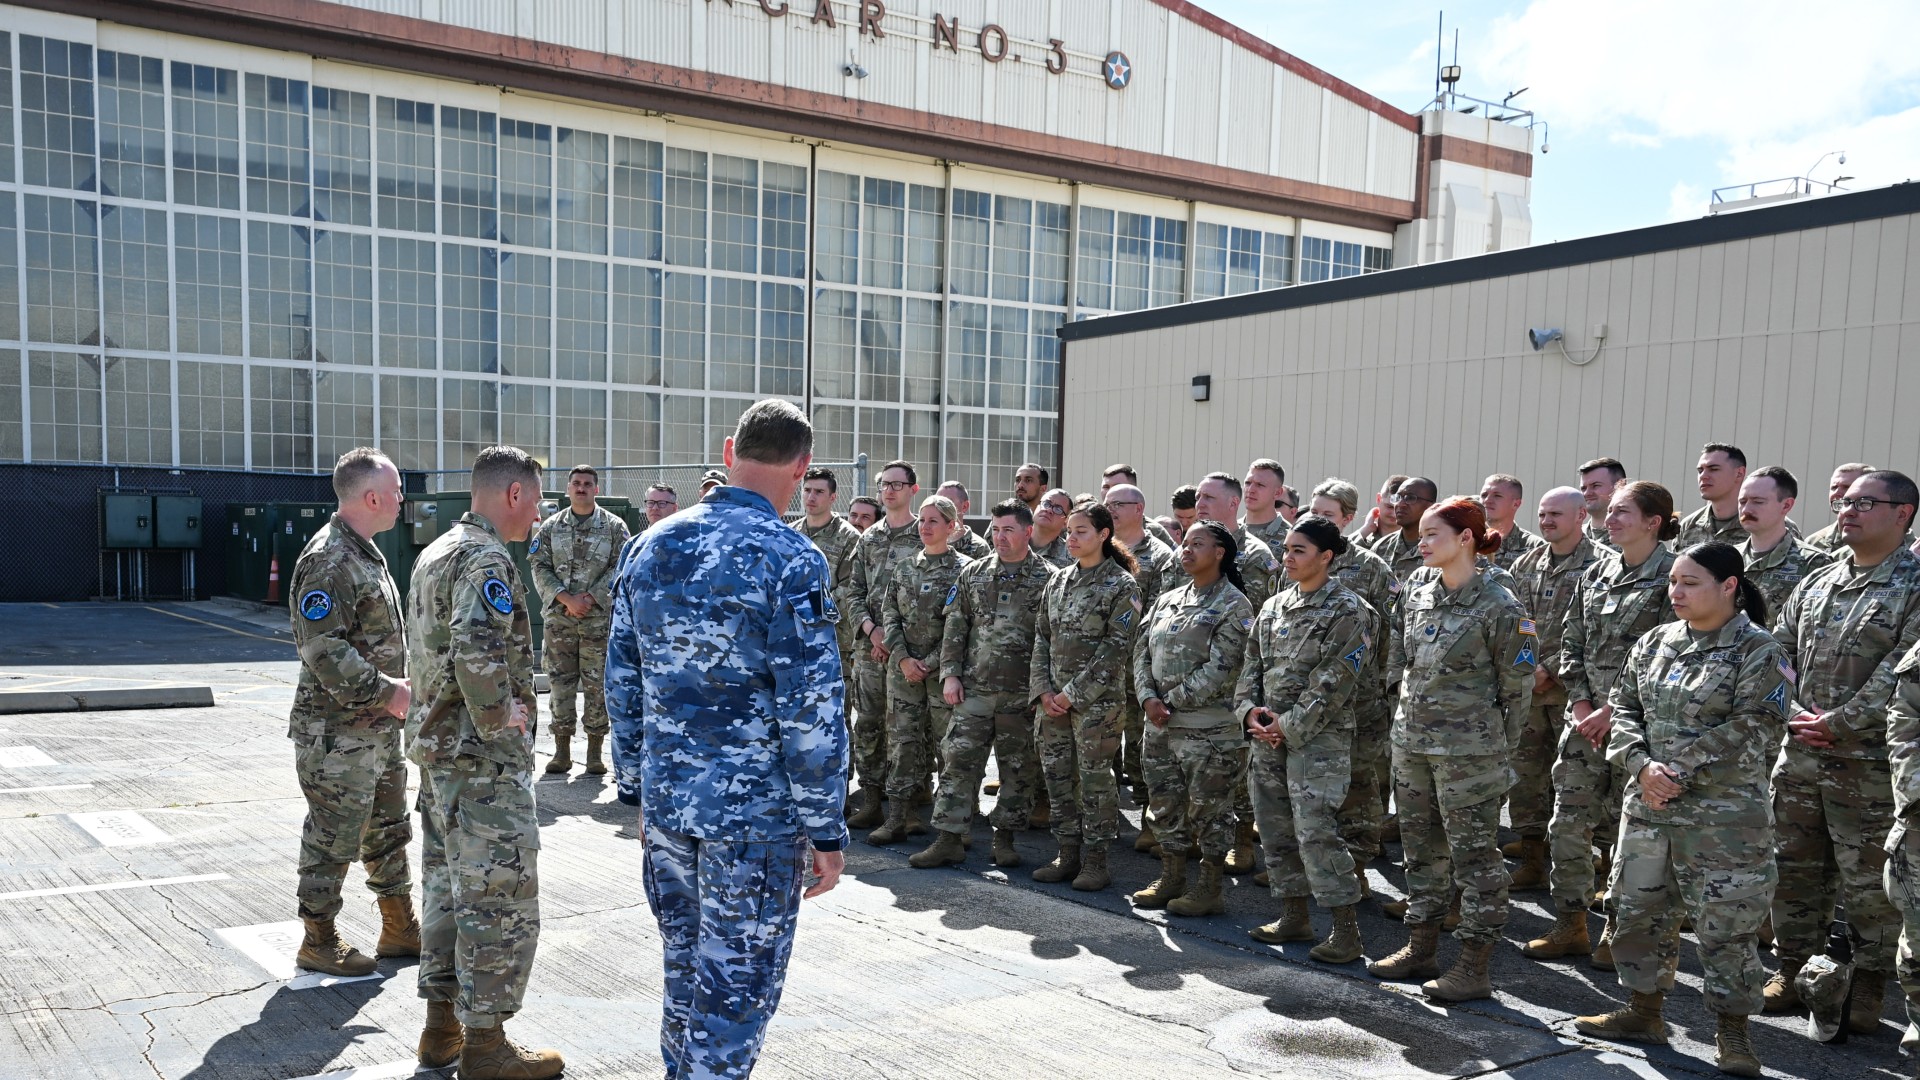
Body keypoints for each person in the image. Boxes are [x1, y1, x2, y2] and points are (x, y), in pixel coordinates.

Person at [605, 400, 847, 1080]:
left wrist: (634, 781)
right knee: (737, 988)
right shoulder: (791, 558)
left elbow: (620, 677)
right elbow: (811, 710)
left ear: (730, 445)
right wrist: (826, 830)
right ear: (802, 469)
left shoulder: (650, 544)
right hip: (752, 819)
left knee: (686, 973)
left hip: (669, 806)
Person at [1573, 542, 1790, 1079]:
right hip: (1648, 809)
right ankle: (1644, 1013)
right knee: (1638, 912)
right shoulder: (1655, 642)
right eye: (1672, 581)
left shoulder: (1759, 650)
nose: (1676, 592)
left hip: (1723, 818)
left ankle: (1734, 1034)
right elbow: (1622, 707)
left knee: (1726, 928)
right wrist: (1642, 767)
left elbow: (1757, 723)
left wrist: (1674, 771)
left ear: (1730, 585)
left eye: (1690, 582)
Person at [405, 445, 560, 1077]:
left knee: (446, 892)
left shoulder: (435, 552)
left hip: (441, 758)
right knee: (499, 897)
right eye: (538, 497)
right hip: (480, 761)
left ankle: (441, 1030)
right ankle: (486, 1047)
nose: (540, 511)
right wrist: (505, 718)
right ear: (515, 494)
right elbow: (476, 651)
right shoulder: (487, 557)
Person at [1764, 469, 1920, 1027]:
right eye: (1845, 503)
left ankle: (1868, 990)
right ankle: (1792, 968)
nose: (1847, 511)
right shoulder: (1818, 582)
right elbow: (1775, 654)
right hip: (1802, 754)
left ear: (1902, 514)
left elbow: (1903, 672)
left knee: (1872, 882)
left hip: (1871, 766)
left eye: (1865, 503)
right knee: (1794, 869)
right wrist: (1791, 712)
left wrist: (1842, 722)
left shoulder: (1915, 583)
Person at [1367, 497, 1532, 1002]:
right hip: (1413, 742)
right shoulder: (1417, 589)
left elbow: (1518, 686)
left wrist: (1497, 750)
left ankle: (1473, 965)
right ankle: (1421, 946)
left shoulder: (1500, 603)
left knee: (1475, 860)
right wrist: (1400, 694)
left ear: (1465, 538)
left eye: (1433, 533)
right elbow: (1398, 650)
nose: (1421, 541)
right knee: (1420, 850)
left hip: (1470, 753)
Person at [1525, 481, 1678, 967]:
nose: (1608, 519)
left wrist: (1614, 709)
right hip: (1585, 719)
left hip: (1642, 725)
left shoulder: (1673, 575)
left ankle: (1617, 930)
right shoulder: (1596, 572)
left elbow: (1669, 652)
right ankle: (1570, 924)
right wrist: (1582, 704)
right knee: (1568, 822)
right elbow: (1573, 643)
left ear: (1653, 522)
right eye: (1607, 512)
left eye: (1621, 512)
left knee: (1626, 832)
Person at [286, 447, 416, 979]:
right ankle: (318, 938)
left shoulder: (363, 552)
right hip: (336, 734)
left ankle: (399, 927)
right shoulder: (329, 559)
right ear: (371, 497)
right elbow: (323, 650)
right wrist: (390, 692)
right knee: (333, 833)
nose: (403, 498)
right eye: (397, 489)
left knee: (388, 826)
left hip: (375, 730)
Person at [1236, 516, 1373, 963]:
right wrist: (1249, 714)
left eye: (1299, 550)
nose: (1287, 557)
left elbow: (1335, 681)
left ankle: (1345, 930)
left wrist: (1286, 726)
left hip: (1318, 742)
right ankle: (1293, 915)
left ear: (1326, 556)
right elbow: (1250, 667)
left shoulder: (1349, 610)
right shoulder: (1274, 606)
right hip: (1267, 737)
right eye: (1287, 549)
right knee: (1275, 828)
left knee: (1317, 832)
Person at [911, 500, 1055, 869]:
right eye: (995, 528)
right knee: (958, 761)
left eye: (1008, 529)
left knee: (1017, 769)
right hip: (974, 688)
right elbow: (956, 626)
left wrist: (1041, 689)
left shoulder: (1049, 579)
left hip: (1020, 694)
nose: (999, 536)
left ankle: (1003, 839)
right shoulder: (973, 574)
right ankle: (949, 838)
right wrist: (950, 675)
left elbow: (1050, 639)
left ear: (1027, 532)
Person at [1130, 519, 1254, 917]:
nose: (1185, 548)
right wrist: (1149, 698)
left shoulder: (1235, 604)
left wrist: (1171, 702)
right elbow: (1141, 652)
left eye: (1197, 543)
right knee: (1164, 805)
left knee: (1210, 810)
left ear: (1220, 552)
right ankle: (1171, 876)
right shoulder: (1169, 598)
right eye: (1185, 542)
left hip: (1208, 730)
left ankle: (1209, 887)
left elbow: (1225, 666)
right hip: (1161, 725)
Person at [1030, 500, 1142, 892]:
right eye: (1069, 531)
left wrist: (1072, 695)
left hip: (1097, 706)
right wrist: (1044, 690)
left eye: (1081, 531)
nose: (1071, 538)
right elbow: (1042, 638)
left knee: (1095, 781)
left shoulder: (1122, 585)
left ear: (1103, 535)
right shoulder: (1058, 581)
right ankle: (1067, 851)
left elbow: (1115, 649)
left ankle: (1096, 860)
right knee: (1057, 777)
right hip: (1052, 703)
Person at [1503, 487, 1605, 892]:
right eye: (1543, 515)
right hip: (1529, 693)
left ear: (1581, 515)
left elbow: (1594, 631)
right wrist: (1529, 670)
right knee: (1527, 779)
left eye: (1556, 515)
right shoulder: (1526, 564)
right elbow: (1515, 623)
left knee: (1579, 785)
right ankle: (1532, 859)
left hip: (1576, 695)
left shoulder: (1601, 565)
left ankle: (1597, 867)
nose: (1546, 522)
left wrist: (1550, 669)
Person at [1306, 479, 1400, 884]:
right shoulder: (1298, 559)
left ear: (1348, 519)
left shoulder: (1371, 567)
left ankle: (1357, 867)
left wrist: (1379, 687)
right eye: (1312, 512)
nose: (1317, 520)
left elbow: (1391, 632)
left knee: (1359, 786)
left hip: (1358, 699)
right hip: (1306, 696)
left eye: (1327, 515)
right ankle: (1313, 866)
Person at [869, 495, 974, 844]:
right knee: (902, 743)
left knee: (949, 748)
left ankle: (950, 828)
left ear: (951, 526)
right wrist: (901, 658)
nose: (925, 526)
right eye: (923, 520)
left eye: (934, 521)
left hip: (944, 672)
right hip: (903, 672)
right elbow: (890, 616)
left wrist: (928, 663)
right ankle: (900, 816)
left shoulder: (965, 570)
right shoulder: (904, 568)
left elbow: (961, 626)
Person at [1194, 471, 1283, 872]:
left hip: (1239, 674)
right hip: (1195, 673)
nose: (1200, 504)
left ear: (1233, 504)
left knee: (1241, 760)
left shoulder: (1257, 555)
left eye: (1209, 498)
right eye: (1198, 496)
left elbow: (1264, 619)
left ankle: (1243, 841)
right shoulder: (1194, 546)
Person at [529, 465, 630, 776]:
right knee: (560, 685)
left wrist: (592, 597)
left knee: (598, 686)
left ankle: (595, 753)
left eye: (587, 483)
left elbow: (622, 565)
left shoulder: (614, 527)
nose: (582, 488)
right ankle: (561, 752)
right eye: (576, 483)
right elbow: (538, 565)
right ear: (567, 489)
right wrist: (565, 598)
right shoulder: (549, 528)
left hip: (598, 622)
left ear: (596, 489)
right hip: (560, 621)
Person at [841, 460, 924, 828]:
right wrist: (871, 631)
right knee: (869, 725)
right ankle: (872, 800)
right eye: (883, 484)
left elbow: (929, 600)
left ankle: (903, 810)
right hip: (869, 648)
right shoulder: (869, 538)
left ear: (912, 489)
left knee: (906, 728)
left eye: (896, 484)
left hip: (908, 651)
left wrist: (892, 640)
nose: (888, 491)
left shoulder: (925, 533)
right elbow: (853, 591)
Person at [1106, 483, 1179, 814]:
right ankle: (1104, 815)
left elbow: (1161, 614)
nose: (1111, 509)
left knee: (1140, 747)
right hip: (1103, 668)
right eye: (1106, 503)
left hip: (1139, 668)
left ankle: (1149, 817)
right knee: (1102, 746)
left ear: (1139, 509)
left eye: (1118, 503)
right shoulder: (1100, 548)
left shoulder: (1162, 555)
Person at [797, 467, 864, 694]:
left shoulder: (849, 538)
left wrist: (804, 610)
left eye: (818, 491)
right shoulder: (791, 534)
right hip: (794, 643)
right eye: (807, 490)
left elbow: (850, 590)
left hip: (834, 643)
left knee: (837, 717)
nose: (811, 497)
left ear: (833, 497)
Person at [1735, 466, 1831, 620]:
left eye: (1758, 502)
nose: (1746, 510)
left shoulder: (1814, 563)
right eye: (1742, 501)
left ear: (1786, 505)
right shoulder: (1729, 558)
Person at [1676, 444, 1748, 548]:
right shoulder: (1688, 526)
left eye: (1714, 469)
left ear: (1739, 473)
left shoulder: (1756, 523)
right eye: (1700, 471)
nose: (1703, 476)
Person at [1370, 477, 1435, 587]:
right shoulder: (1381, 547)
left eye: (1410, 498)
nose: (1400, 504)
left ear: (1430, 506)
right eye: (1398, 497)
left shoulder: (1439, 548)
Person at [1100, 463, 1178, 549]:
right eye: (1106, 487)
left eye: (1118, 486)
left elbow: (1175, 557)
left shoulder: (1154, 530)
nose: (1110, 491)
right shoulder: (1094, 525)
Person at [1804, 462, 1875, 552]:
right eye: (1834, 487)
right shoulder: (1814, 543)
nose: (1836, 493)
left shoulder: (1884, 538)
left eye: (1846, 487)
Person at [1479, 474, 1545, 571]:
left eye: (1497, 496)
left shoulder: (1534, 547)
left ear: (1516, 504)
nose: (1487, 500)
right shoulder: (1468, 540)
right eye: (1484, 495)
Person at [1240, 459, 1292, 550]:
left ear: (1277, 493)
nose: (1250, 490)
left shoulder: (1290, 537)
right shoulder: (1231, 530)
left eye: (1260, 485)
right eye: (1247, 483)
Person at [937, 480, 993, 561]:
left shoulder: (979, 548)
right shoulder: (927, 541)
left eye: (948, 502)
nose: (940, 507)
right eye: (937, 502)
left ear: (965, 506)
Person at [1578, 457, 1626, 549]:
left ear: (1620, 486)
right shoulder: (1573, 538)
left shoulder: (1632, 538)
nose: (1587, 493)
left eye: (1595, 486)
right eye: (1583, 488)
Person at [1352, 474, 1408, 544]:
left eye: (1401, 508)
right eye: (1389, 507)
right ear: (1378, 499)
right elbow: (1339, 552)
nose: (1394, 514)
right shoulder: (1363, 538)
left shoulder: (1418, 544)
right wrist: (1366, 529)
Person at [1030, 488, 1075, 567]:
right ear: (1037, 507)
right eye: (1046, 503)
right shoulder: (1012, 541)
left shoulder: (1072, 555)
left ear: (1066, 521)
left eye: (1058, 509)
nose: (1049, 510)